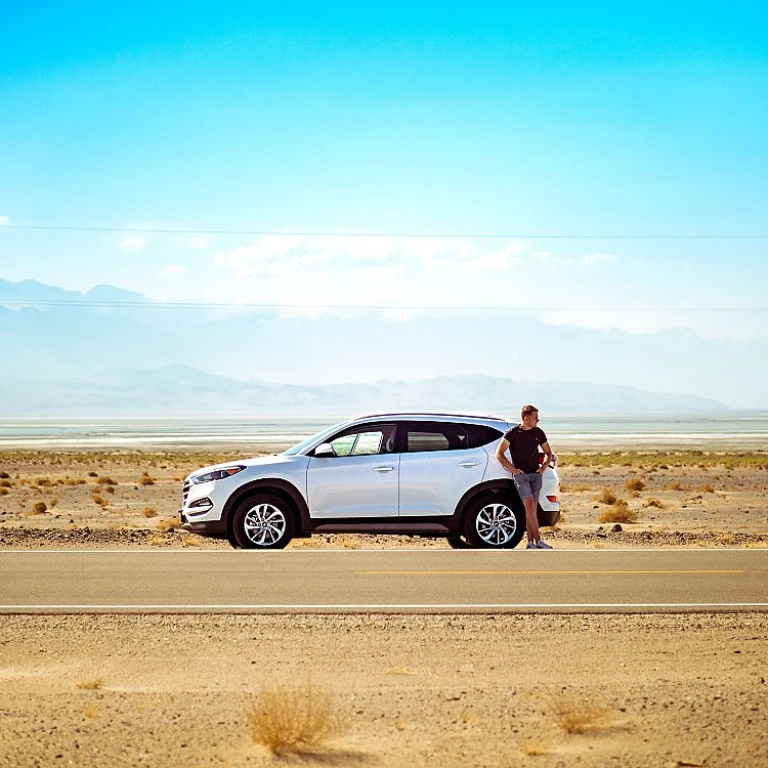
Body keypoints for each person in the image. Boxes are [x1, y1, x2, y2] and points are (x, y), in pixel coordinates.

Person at [495, 404, 554, 550]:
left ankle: (530, 543)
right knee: (528, 507)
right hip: (521, 477)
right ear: (526, 418)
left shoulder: (538, 433)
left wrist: (542, 468)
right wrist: (513, 470)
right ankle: (538, 541)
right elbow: (499, 453)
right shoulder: (512, 434)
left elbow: (549, 453)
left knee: (532, 509)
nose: (538, 420)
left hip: (535, 476)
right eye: (535, 418)